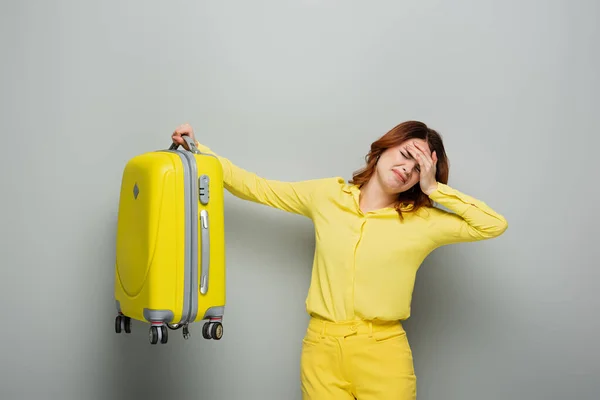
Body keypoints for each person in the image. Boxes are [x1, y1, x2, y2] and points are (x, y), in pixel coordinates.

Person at [171, 120, 508, 400]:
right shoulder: (327, 196)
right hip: (321, 349)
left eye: (419, 168)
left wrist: (435, 189)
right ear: (383, 148)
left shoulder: (424, 221)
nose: (407, 169)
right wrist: (198, 150)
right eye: (405, 155)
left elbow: (493, 225)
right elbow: (255, 187)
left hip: (384, 354)